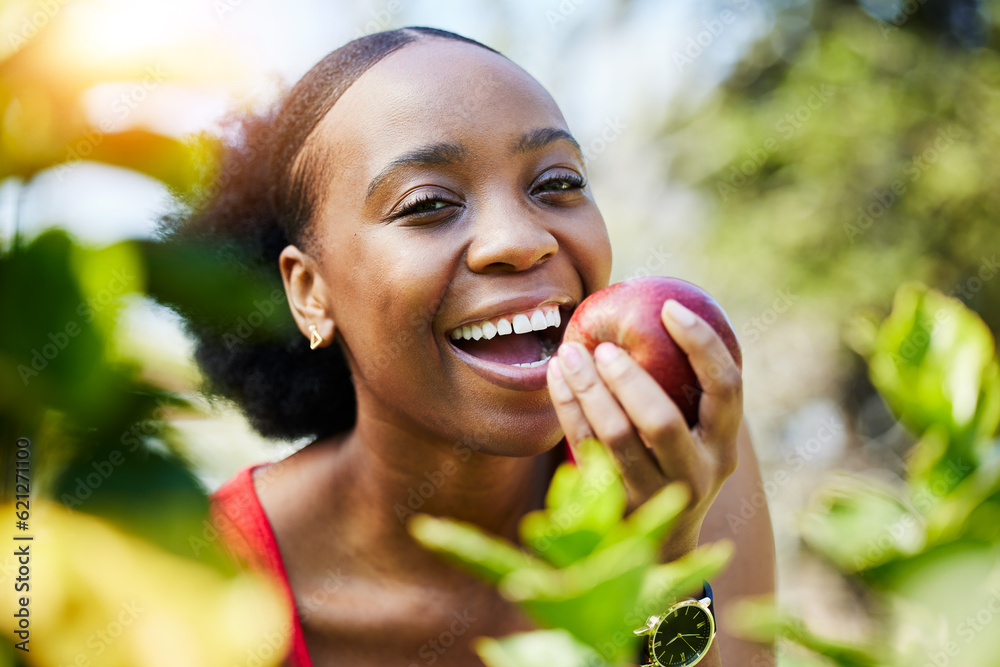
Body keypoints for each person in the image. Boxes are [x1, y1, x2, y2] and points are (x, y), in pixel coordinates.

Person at [161, 26, 775, 667]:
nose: (520, 239)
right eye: (428, 203)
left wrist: (662, 562)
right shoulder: (192, 587)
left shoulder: (677, 453)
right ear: (311, 292)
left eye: (556, 183)